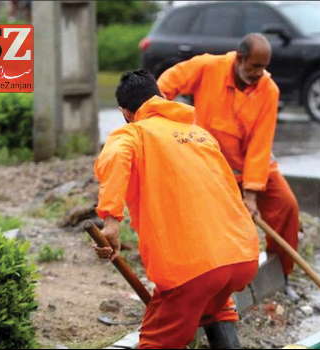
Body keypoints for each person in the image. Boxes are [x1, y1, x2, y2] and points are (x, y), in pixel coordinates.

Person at [93, 70, 260, 349]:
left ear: (125, 112)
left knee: (157, 341)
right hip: (242, 257)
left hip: (193, 269)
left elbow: (114, 156)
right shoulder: (199, 135)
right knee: (214, 306)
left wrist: (111, 222)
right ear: (160, 98)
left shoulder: (133, 133)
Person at [157, 33, 302, 301]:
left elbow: (260, 144)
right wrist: (161, 120)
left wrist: (251, 193)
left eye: (264, 67)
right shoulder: (207, 67)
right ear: (240, 58)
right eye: (255, 66)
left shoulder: (268, 90)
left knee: (287, 206)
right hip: (210, 167)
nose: (260, 73)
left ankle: (282, 275)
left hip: (253, 168)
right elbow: (164, 85)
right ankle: (205, 281)